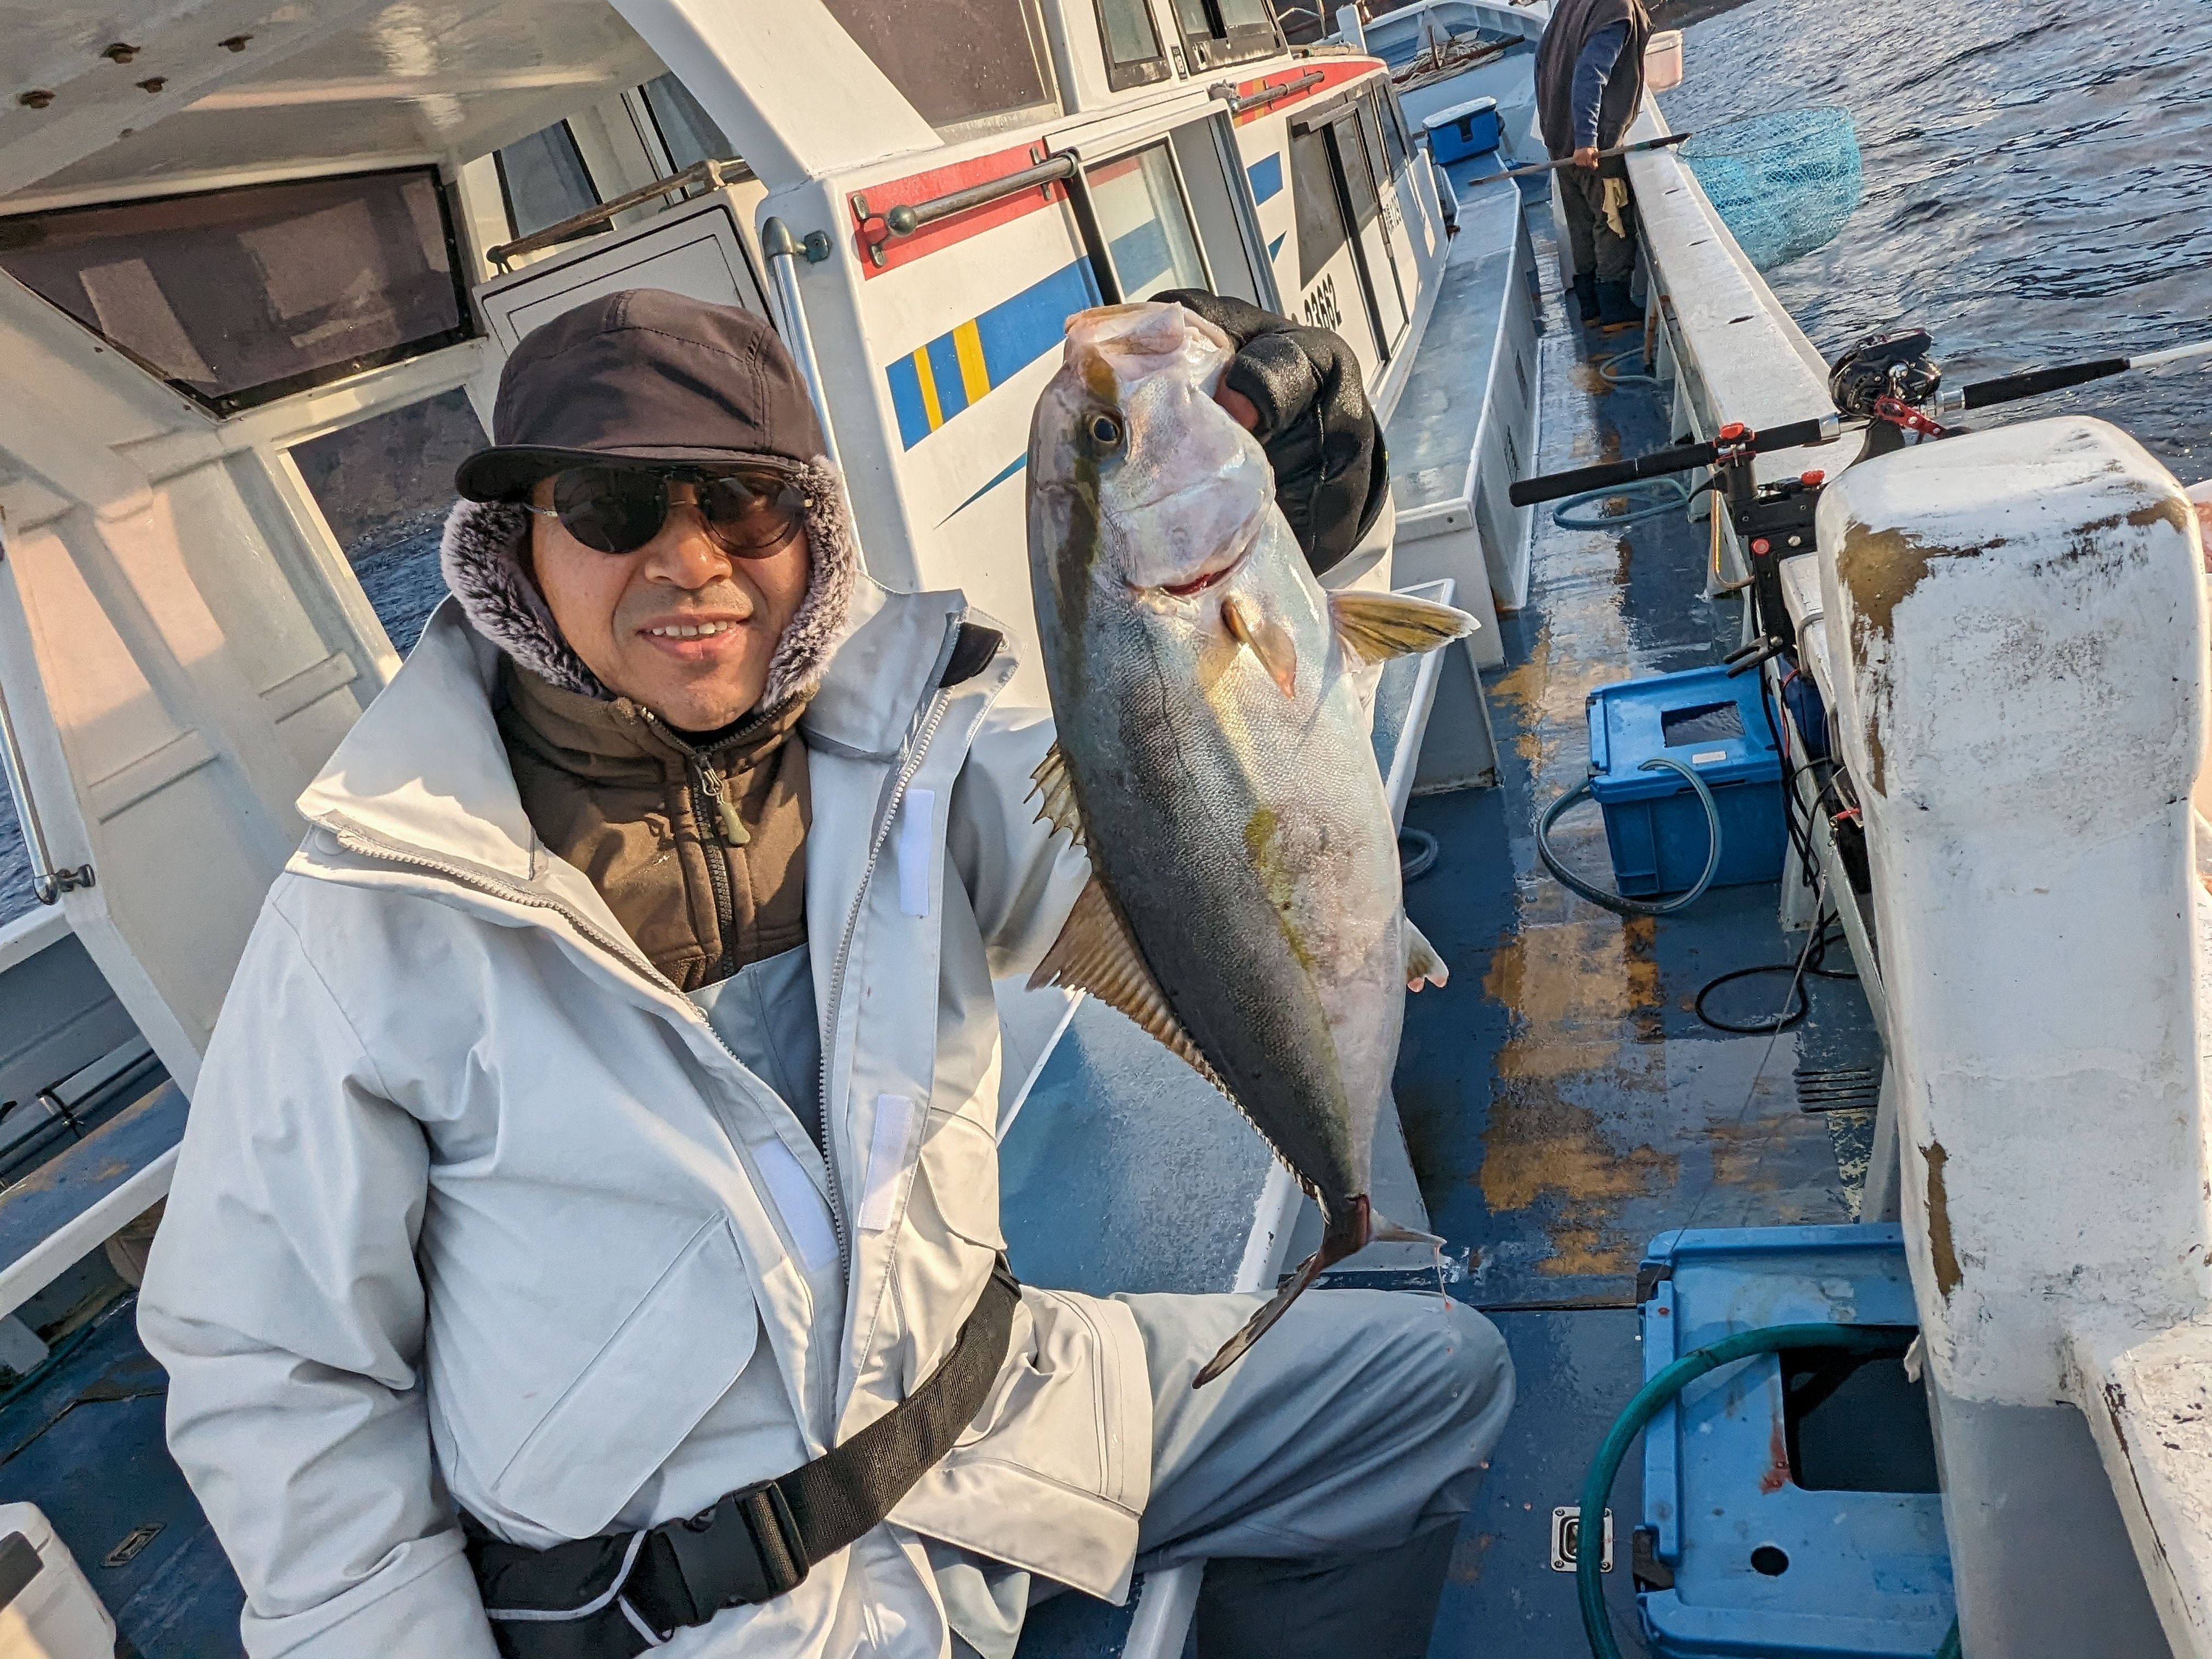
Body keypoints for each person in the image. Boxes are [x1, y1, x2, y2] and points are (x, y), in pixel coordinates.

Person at [138, 287, 1513, 1659]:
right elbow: (273, 1367)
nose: (690, 562)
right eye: (614, 510)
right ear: (517, 543)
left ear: (812, 536)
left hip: (988, 1423)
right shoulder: (369, 911)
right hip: (700, 1601)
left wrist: (1308, 527)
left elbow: (1211, 840)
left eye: (743, 506)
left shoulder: (910, 759)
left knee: (1428, 1386)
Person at [1536, 0, 1653, 333]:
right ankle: (1615, 306)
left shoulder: (1569, 5)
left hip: (1559, 139)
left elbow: (1541, 60)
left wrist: (1555, 129)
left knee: (1581, 223)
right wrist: (1587, 138)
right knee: (1611, 218)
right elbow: (1591, 73)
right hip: (1591, 146)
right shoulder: (1615, 8)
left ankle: (1590, 306)